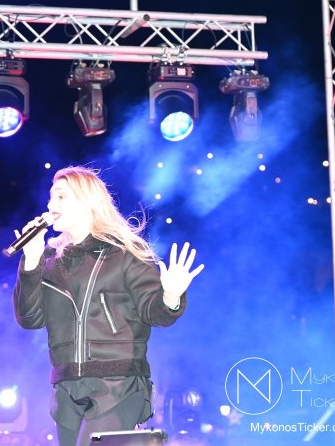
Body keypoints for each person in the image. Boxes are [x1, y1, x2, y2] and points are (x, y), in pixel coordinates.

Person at [12, 166, 204, 446]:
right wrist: (31, 261)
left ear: (87, 201)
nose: (52, 204)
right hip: (66, 390)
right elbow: (29, 318)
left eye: (61, 196)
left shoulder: (124, 253)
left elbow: (154, 312)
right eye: (51, 197)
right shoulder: (49, 261)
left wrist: (171, 296)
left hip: (118, 385)